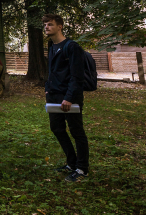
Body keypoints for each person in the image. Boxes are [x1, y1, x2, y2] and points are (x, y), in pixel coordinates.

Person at [43, 14, 89, 182]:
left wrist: (69, 97)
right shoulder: (51, 46)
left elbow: (77, 76)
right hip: (53, 95)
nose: (46, 27)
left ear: (60, 26)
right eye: (45, 25)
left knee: (77, 131)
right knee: (57, 129)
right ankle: (71, 162)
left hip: (70, 96)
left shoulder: (72, 47)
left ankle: (82, 168)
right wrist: (48, 90)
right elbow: (52, 71)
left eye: (50, 24)